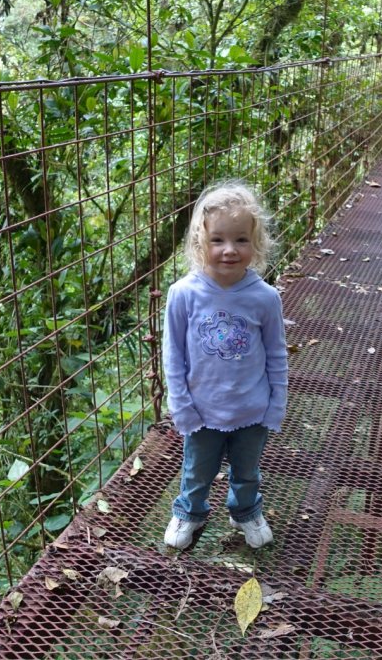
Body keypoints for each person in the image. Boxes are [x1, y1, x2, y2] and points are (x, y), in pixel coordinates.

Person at [162, 181, 288, 550]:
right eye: (218, 240)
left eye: (241, 240)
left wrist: (276, 404)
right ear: (201, 242)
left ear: (256, 242)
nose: (229, 250)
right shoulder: (183, 294)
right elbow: (173, 357)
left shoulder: (265, 298)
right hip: (202, 410)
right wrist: (181, 406)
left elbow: (277, 354)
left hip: (252, 408)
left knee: (247, 472)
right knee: (197, 472)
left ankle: (245, 511)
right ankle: (190, 512)